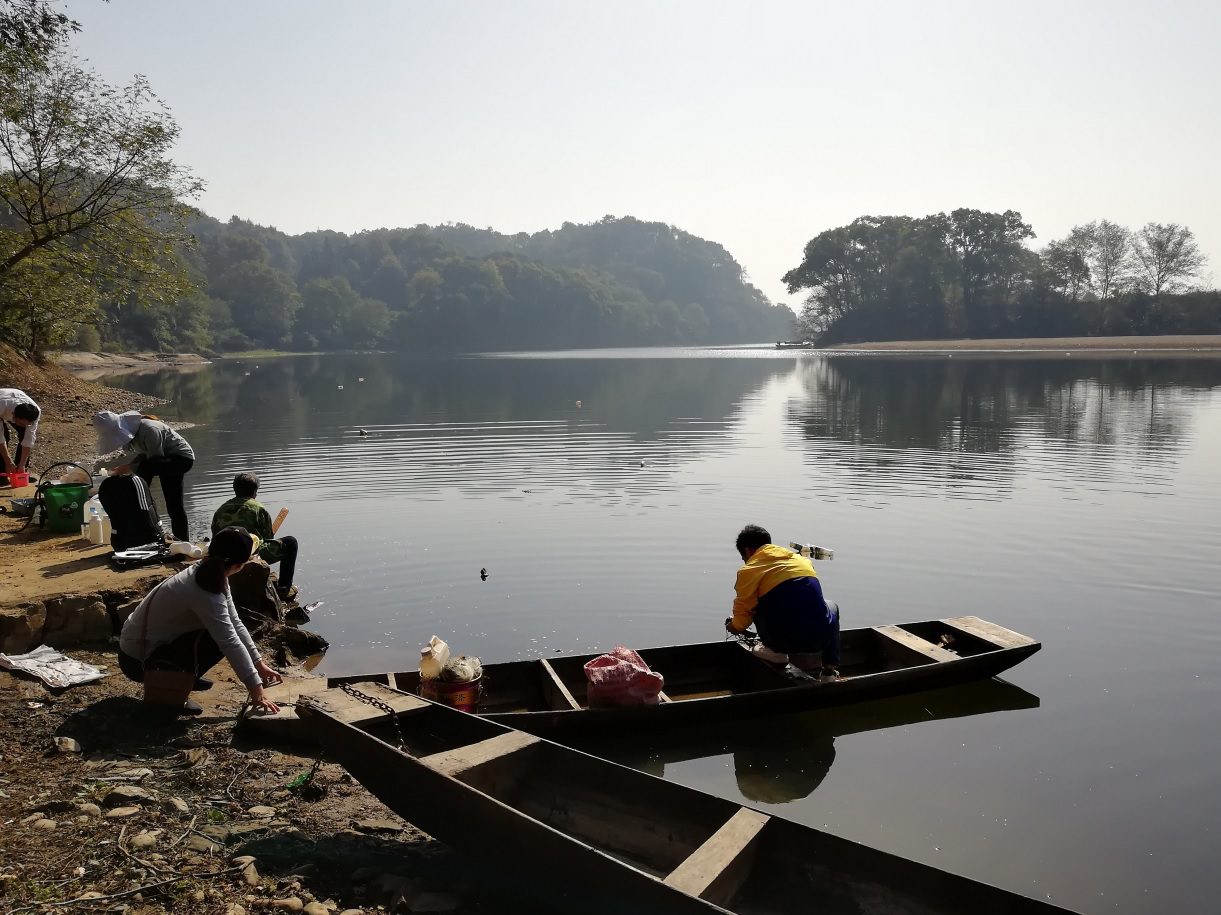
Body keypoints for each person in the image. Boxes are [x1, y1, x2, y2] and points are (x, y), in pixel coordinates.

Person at [117, 526, 282, 716]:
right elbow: (229, 642)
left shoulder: (209, 572)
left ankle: (183, 676)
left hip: (142, 646)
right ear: (239, 566)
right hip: (136, 660)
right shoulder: (206, 590)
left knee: (222, 630)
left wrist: (258, 663)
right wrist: (257, 691)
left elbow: (235, 623)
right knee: (218, 640)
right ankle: (172, 689)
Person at [724, 524, 841, 681]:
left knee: (756, 604)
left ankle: (776, 652)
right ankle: (829, 671)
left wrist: (732, 626)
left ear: (748, 551)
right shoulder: (802, 561)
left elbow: (742, 619)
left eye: (744, 558)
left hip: (784, 642)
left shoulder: (749, 571)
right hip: (820, 641)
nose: (746, 561)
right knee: (832, 606)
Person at [93, 411, 195, 541]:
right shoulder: (136, 434)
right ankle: (143, 515)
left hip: (180, 459)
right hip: (162, 460)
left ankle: (182, 540)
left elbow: (154, 460)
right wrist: (127, 466)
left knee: (174, 504)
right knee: (173, 504)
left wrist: (129, 468)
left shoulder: (150, 430)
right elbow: (144, 456)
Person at [211, 472, 299, 601]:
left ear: (235, 489)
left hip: (223, 554)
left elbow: (215, 535)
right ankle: (284, 588)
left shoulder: (221, 509)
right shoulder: (258, 508)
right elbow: (268, 537)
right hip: (248, 553)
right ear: (255, 491)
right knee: (291, 542)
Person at [1, 388, 40, 477]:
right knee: (5, 435)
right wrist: (8, 461)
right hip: (3, 403)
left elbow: (28, 440)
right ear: (14, 416)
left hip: (16, 399)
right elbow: (0, 438)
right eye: (21, 423)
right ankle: (3, 470)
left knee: (24, 433)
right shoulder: (2, 406)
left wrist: (22, 464)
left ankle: (20, 470)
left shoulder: (35, 413)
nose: (24, 426)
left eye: (27, 424)